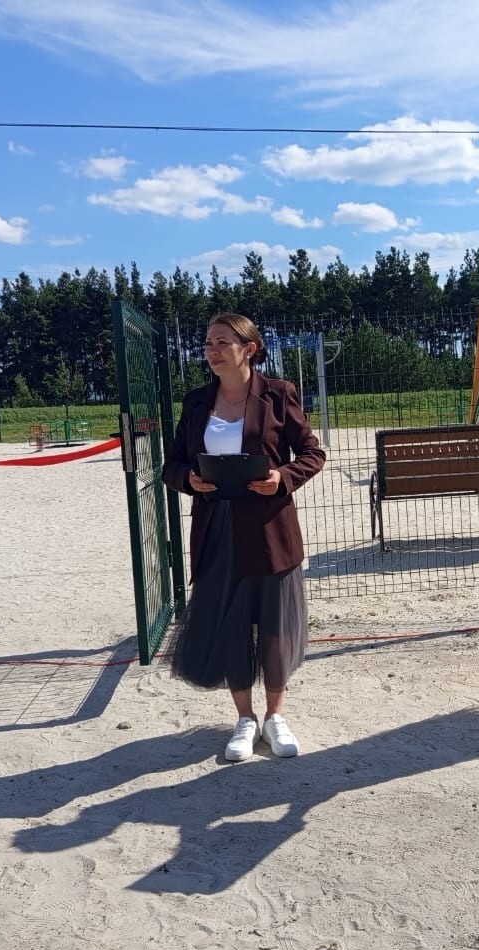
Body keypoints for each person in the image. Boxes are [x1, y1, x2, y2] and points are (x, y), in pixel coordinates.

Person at [162, 313, 326, 762]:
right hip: (216, 528)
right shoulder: (196, 402)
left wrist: (282, 478)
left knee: (273, 623)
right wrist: (189, 479)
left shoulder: (278, 394)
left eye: (222, 342)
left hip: (270, 527)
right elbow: (171, 464)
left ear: (249, 349)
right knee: (230, 624)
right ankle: (245, 719)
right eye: (207, 343)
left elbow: (312, 453)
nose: (212, 351)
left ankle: (275, 717)